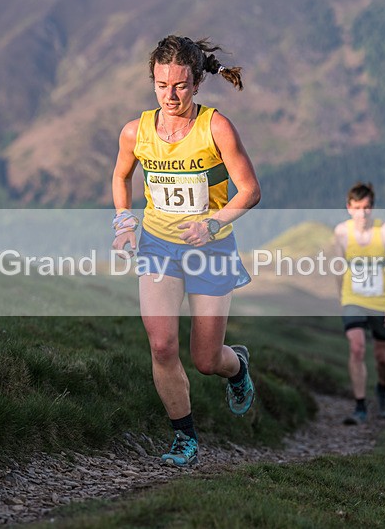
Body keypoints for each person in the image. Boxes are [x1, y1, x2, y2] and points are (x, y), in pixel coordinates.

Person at [110, 35, 261, 466]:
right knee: (161, 347)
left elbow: (249, 190)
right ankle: (185, 439)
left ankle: (238, 367)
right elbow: (121, 178)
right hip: (158, 246)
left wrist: (213, 223)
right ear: (152, 82)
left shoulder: (215, 127)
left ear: (196, 83)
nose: (170, 95)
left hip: (211, 250)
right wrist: (124, 222)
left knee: (206, 359)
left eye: (179, 85)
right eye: (161, 85)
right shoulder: (135, 132)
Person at [333, 182, 385, 424]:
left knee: (382, 355)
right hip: (353, 298)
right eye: (358, 207)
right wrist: (341, 298)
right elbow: (339, 267)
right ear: (349, 207)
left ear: (372, 207)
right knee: (357, 347)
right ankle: (360, 405)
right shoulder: (342, 232)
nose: (363, 213)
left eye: (367, 207)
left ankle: (382, 388)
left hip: (381, 301)